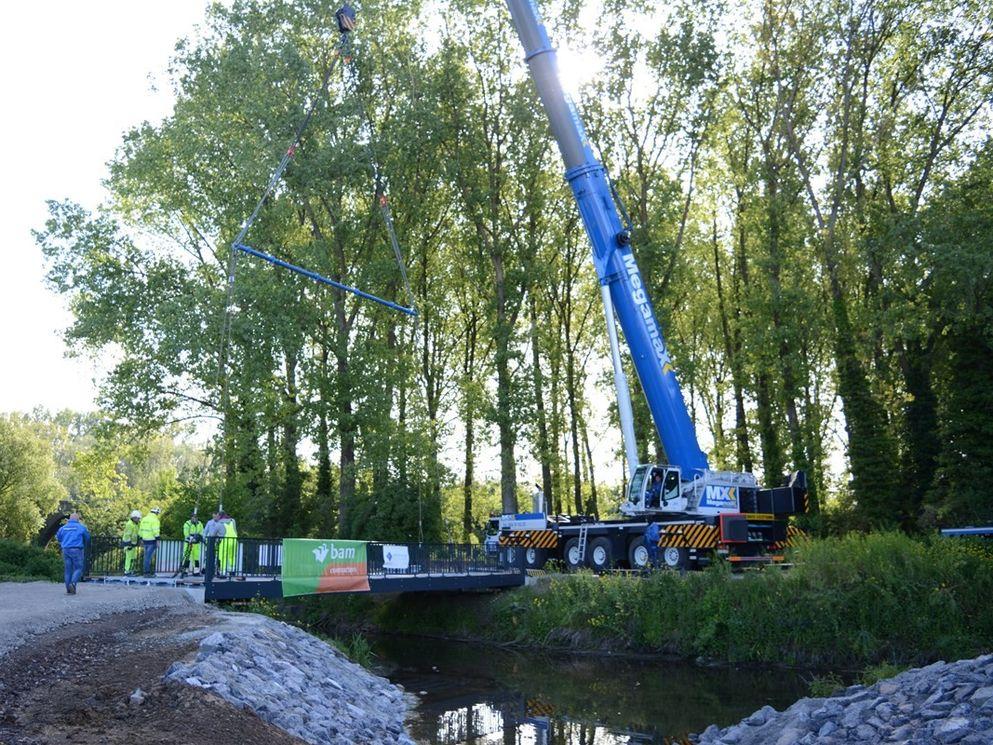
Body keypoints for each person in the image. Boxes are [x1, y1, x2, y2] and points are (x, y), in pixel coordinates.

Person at [56, 512, 90, 594]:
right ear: (78, 519)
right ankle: (73, 583)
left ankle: (68, 589)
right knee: (78, 568)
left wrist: (64, 542)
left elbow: (58, 537)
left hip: (65, 550)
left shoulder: (63, 528)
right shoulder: (81, 528)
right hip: (77, 550)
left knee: (68, 570)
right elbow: (87, 538)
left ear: (69, 519)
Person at [139, 506, 162, 577]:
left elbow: (140, 530)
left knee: (146, 557)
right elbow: (156, 531)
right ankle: (147, 573)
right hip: (152, 541)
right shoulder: (155, 520)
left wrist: (141, 539)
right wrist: (158, 540)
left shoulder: (144, 519)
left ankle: (146, 572)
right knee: (148, 558)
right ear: (157, 513)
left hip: (145, 540)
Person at [182, 511, 204, 576]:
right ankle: (185, 571)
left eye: (196, 517)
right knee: (187, 557)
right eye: (193, 517)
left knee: (196, 557)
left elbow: (202, 532)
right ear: (191, 518)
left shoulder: (200, 524)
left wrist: (198, 537)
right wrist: (191, 537)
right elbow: (186, 533)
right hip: (188, 543)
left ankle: (196, 572)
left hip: (196, 544)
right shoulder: (187, 524)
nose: (195, 519)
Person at [217, 512, 238, 577]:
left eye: (218, 516)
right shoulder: (232, 520)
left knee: (222, 556)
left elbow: (215, 532)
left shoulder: (220, 523)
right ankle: (232, 570)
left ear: (220, 516)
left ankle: (223, 572)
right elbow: (235, 530)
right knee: (232, 556)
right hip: (234, 540)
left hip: (225, 540)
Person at [122, 510, 142, 575]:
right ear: (134, 517)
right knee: (129, 558)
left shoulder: (136, 524)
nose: (139, 519)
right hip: (128, 543)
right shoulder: (129, 524)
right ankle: (127, 571)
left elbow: (138, 533)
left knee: (133, 557)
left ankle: (131, 570)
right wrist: (129, 544)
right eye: (138, 518)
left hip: (133, 543)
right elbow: (127, 535)